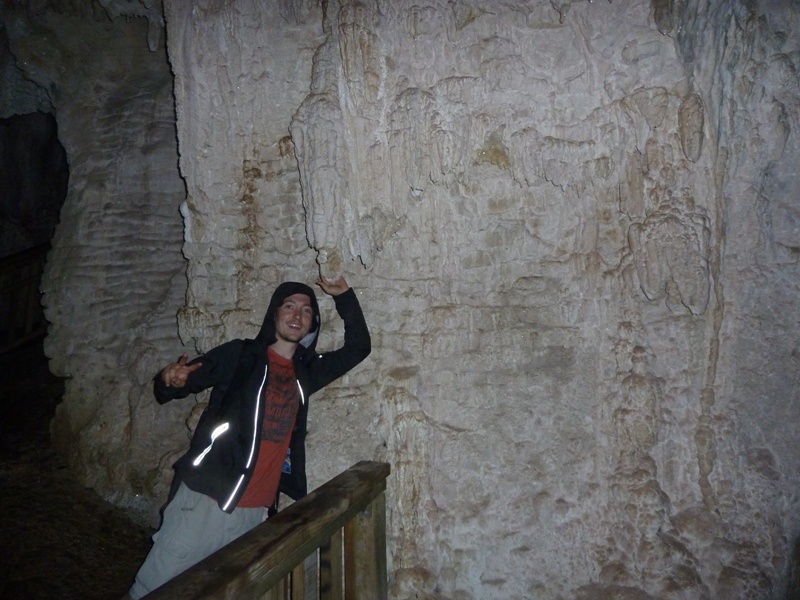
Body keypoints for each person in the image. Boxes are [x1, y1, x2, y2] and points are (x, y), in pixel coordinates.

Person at [124, 275, 370, 599]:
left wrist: (345, 296)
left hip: (254, 513)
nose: (297, 315)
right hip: (205, 500)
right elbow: (186, 379)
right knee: (155, 590)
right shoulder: (241, 356)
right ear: (275, 314)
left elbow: (358, 348)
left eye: (306, 311)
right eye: (290, 307)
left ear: (312, 323)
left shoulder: (306, 372)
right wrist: (172, 379)